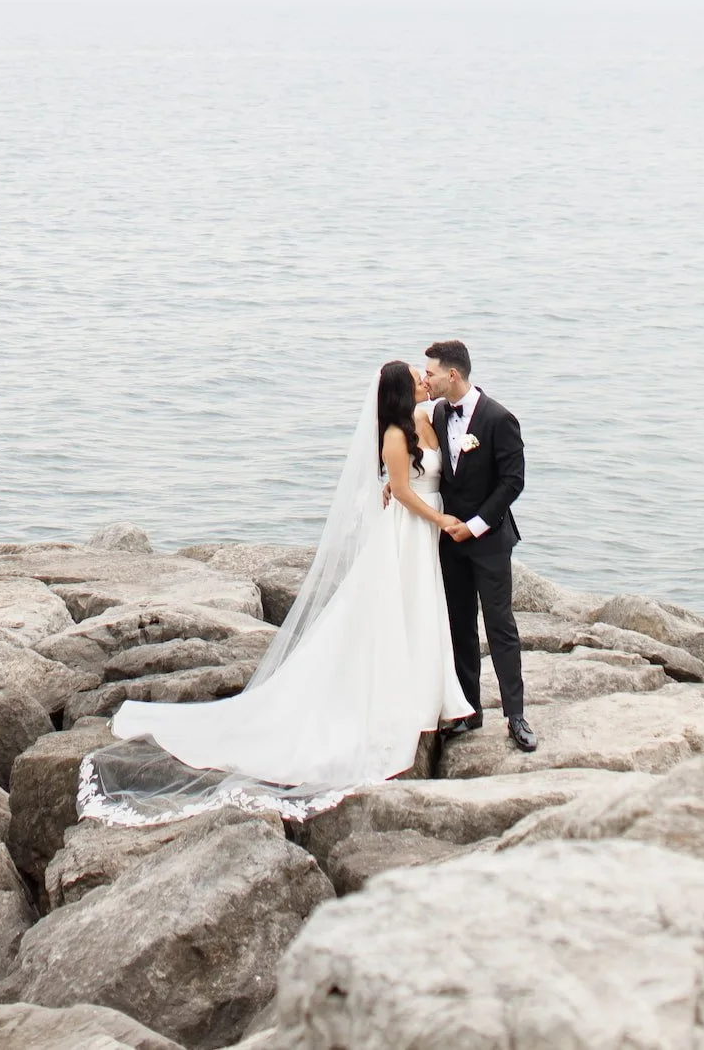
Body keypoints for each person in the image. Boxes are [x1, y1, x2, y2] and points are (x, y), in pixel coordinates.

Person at [80, 359, 471, 822]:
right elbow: (402, 491)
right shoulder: (393, 434)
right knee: (398, 610)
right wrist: (439, 518)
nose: (424, 379)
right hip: (408, 531)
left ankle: (429, 696)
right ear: (402, 390)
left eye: (425, 374)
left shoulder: (427, 418)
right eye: (416, 377)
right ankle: (395, 701)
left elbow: (428, 464)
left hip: (421, 532)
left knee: (420, 610)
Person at [423, 336, 536, 752]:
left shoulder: (499, 418)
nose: (426, 380)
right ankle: (469, 711)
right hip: (449, 541)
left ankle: (516, 715)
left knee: (500, 625)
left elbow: (512, 482)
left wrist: (474, 525)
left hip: (489, 541)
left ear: (452, 375)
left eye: (431, 373)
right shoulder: (437, 413)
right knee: (460, 624)